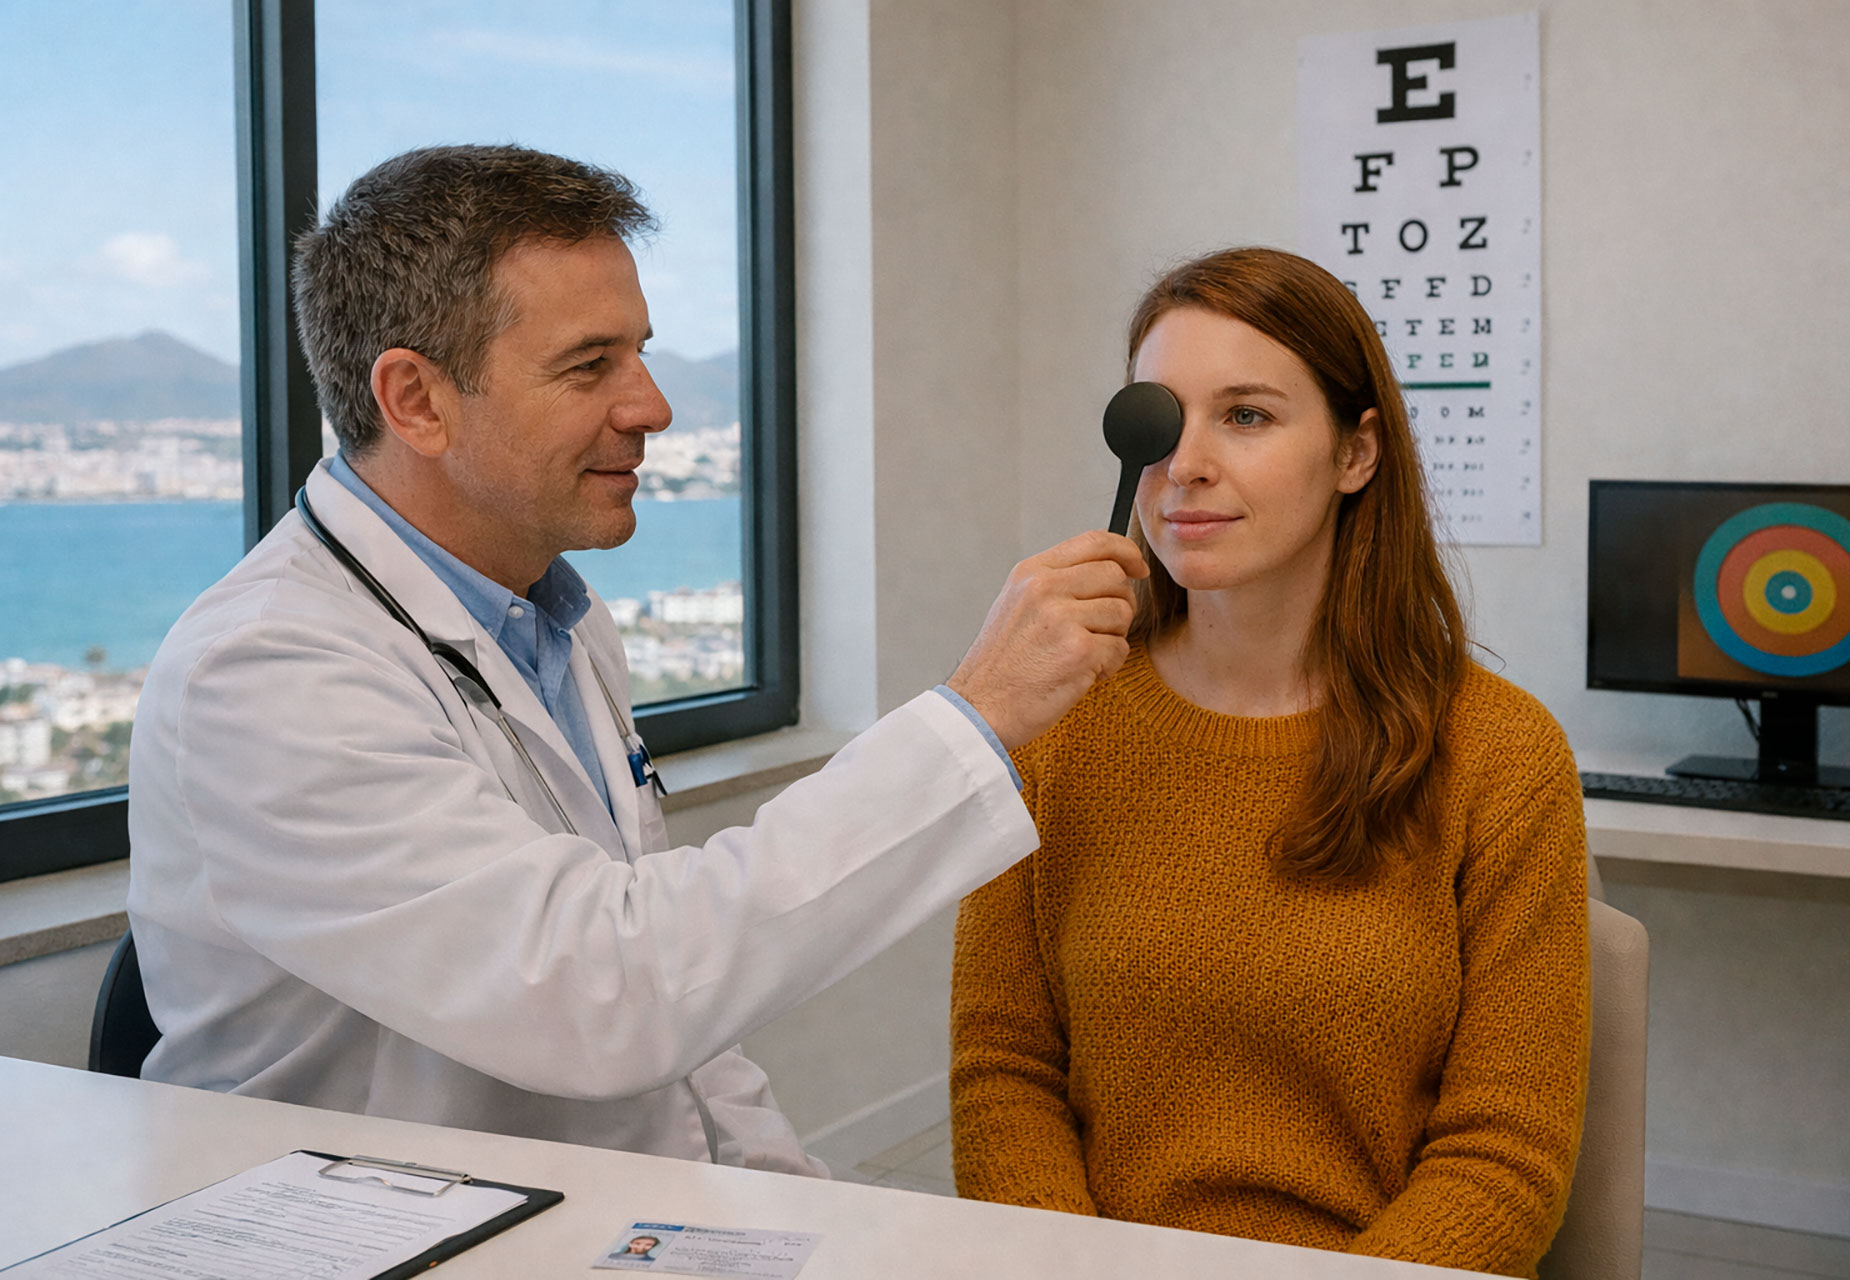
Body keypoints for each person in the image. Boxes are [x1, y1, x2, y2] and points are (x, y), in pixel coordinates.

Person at [127, 144, 1144, 1175]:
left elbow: (691, 1034)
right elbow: (609, 989)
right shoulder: (265, 672)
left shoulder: (555, 617)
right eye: (589, 365)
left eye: (641, 354)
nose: (653, 406)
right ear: (417, 400)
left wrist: (807, 1214)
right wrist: (970, 716)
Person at [949, 247, 1589, 1277]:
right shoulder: (1054, 720)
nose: (1185, 465)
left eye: (1246, 415)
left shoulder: (1501, 755)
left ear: (1357, 452)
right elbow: (1004, 1073)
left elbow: (1505, 1151)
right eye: (1164, 418)